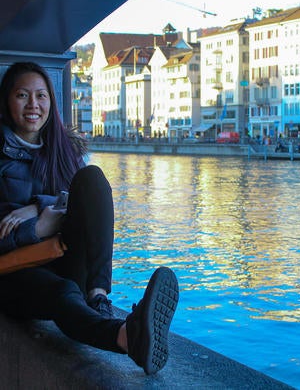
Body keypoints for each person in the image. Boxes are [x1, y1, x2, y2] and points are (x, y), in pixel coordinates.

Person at [0, 61, 179, 375]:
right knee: (62, 293)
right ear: (6, 101)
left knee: (93, 178)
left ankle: (98, 295)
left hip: (60, 255)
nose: (33, 105)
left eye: (41, 96)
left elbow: (78, 201)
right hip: (12, 272)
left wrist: (38, 209)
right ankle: (125, 336)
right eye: (22, 95)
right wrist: (36, 228)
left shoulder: (63, 150)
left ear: (51, 103)